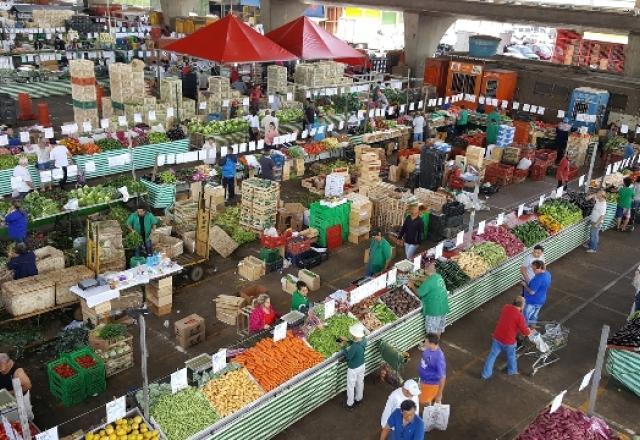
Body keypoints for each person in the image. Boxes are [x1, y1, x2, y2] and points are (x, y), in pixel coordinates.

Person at [481, 296, 535, 379]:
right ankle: (512, 370)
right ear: (522, 305)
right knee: (511, 355)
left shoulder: (506, 307)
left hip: (497, 337)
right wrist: (529, 330)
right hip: (508, 341)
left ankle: (485, 374)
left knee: (492, 356)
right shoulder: (520, 317)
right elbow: (525, 332)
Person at [416, 259, 450, 336]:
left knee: (431, 332)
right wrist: (417, 279)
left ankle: (431, 347)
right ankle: (436, 345)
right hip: (443, 307)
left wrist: (411, 286)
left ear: (426, 270)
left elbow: (419, 293)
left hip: (434, 310)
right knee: (438, 329)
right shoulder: (438, 276)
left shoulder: (429, 281)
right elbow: (427, 280)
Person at [0, 353, 33, 420]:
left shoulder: (18, 373)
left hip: (20, 396)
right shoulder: (2, 363)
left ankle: (30, 420)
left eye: (0, 367)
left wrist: (8, 393)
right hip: (5, 394)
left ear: (8, 362)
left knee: (25, 412)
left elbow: (28, 385)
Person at [341, 323, 367, 410]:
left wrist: (343, 347)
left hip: (353, 368)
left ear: (355, 335)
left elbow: (348, 357)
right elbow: (356, 343)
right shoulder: (364, 340)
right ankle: (359, 398)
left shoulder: (354, 347)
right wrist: (348, 341)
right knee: (360, 382)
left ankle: (350, 404)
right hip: (362, 365)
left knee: (351, 386)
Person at [418, 333, 446, 408]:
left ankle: (431, 413)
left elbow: (442, 377)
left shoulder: (439, 358)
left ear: (431, 343)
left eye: (426, 342)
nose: (424, 343)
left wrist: (439, 395)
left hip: (430, 384)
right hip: (424, 380)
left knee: (424, 401)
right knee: (426, 401)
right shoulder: (428, 348)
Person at [520, 260, 551, 325]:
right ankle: (532, 327)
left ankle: (525, 330)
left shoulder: (538, 279)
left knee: (525, 317)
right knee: (534, 315)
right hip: (541, 300)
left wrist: (525, 285)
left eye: (534, 269)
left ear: (540, 267)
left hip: (531, 302)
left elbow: (532, 292)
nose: (533, 271)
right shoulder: (547, 274)